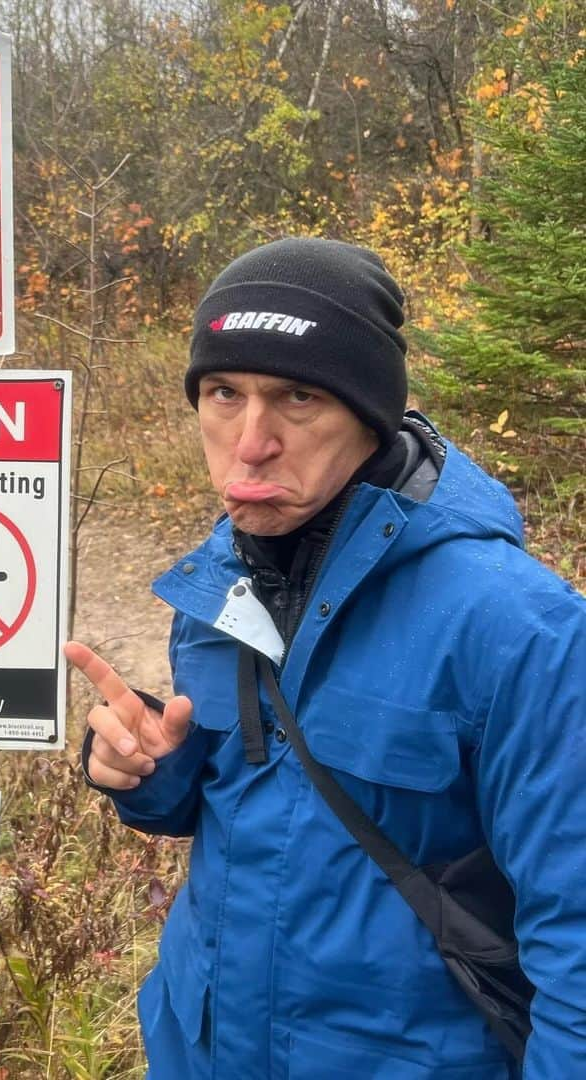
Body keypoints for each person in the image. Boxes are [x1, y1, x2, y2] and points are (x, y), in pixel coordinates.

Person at [65, 237, 586, 1078]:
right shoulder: (219, 583)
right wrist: (153, 774)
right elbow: (261, 804)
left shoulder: (519, 627)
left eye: (298, 397)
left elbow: (580, 938)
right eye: (223, 393)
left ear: (370, 414)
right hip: (204, 1052)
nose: (251, 441)